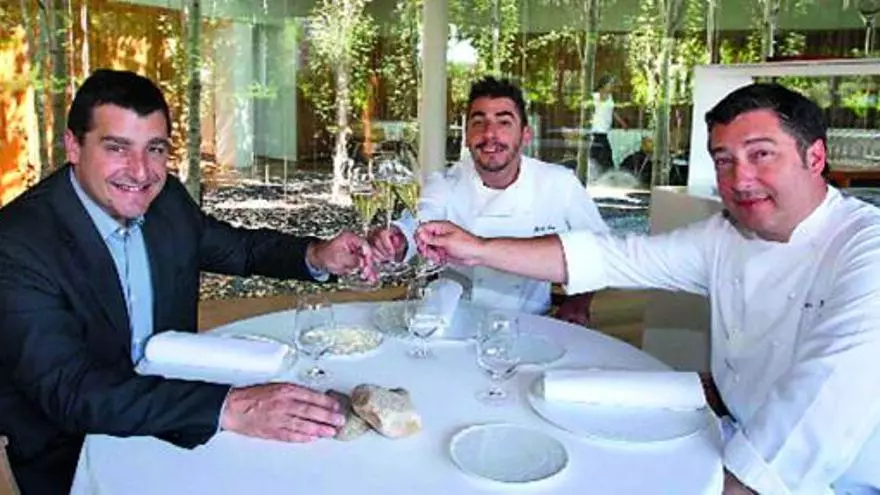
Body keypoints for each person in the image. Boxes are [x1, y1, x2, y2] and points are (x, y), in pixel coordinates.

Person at [416, 83, 880, 494]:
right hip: (730, 434)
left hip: (828, 478)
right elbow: (614, 256)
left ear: (814, 157)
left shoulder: (865, 247)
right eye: (724, 160)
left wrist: (731, 484)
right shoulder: (723, 235)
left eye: (761, 154)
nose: (740, 179)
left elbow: (827, 397)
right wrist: (476, 248)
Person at [0, 69, 374, 494]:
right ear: (73, 146)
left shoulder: (166, 199)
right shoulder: (17, 244)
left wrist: (316, 254)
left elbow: (241, 250)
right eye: (117, 148)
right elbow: (72, 391)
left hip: (177, 412)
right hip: (75, 451)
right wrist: (232, 406)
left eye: (155, 149)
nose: (141, 172)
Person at [368, 76, 609, 325]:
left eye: (504, 122)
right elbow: (420, 221)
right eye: (478, 122)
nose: (490, 133)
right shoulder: (446, 182)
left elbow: (599, 250)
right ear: (466, 135)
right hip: (454, 322)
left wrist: (578, 302)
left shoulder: (560, 184)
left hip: (531, 323)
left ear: (525, 134)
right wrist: (397, 239)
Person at [580, 74, 627, 184]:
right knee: (604, 152)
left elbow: (612, 111)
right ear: (603, 85)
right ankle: (609, 174)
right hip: (597, 129)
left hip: (604, 130)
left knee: (597, 153)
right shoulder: (595, 96)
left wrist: (622, 122)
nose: (612, 86)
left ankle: (593, 174)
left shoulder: (610, 97)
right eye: (610, 83)